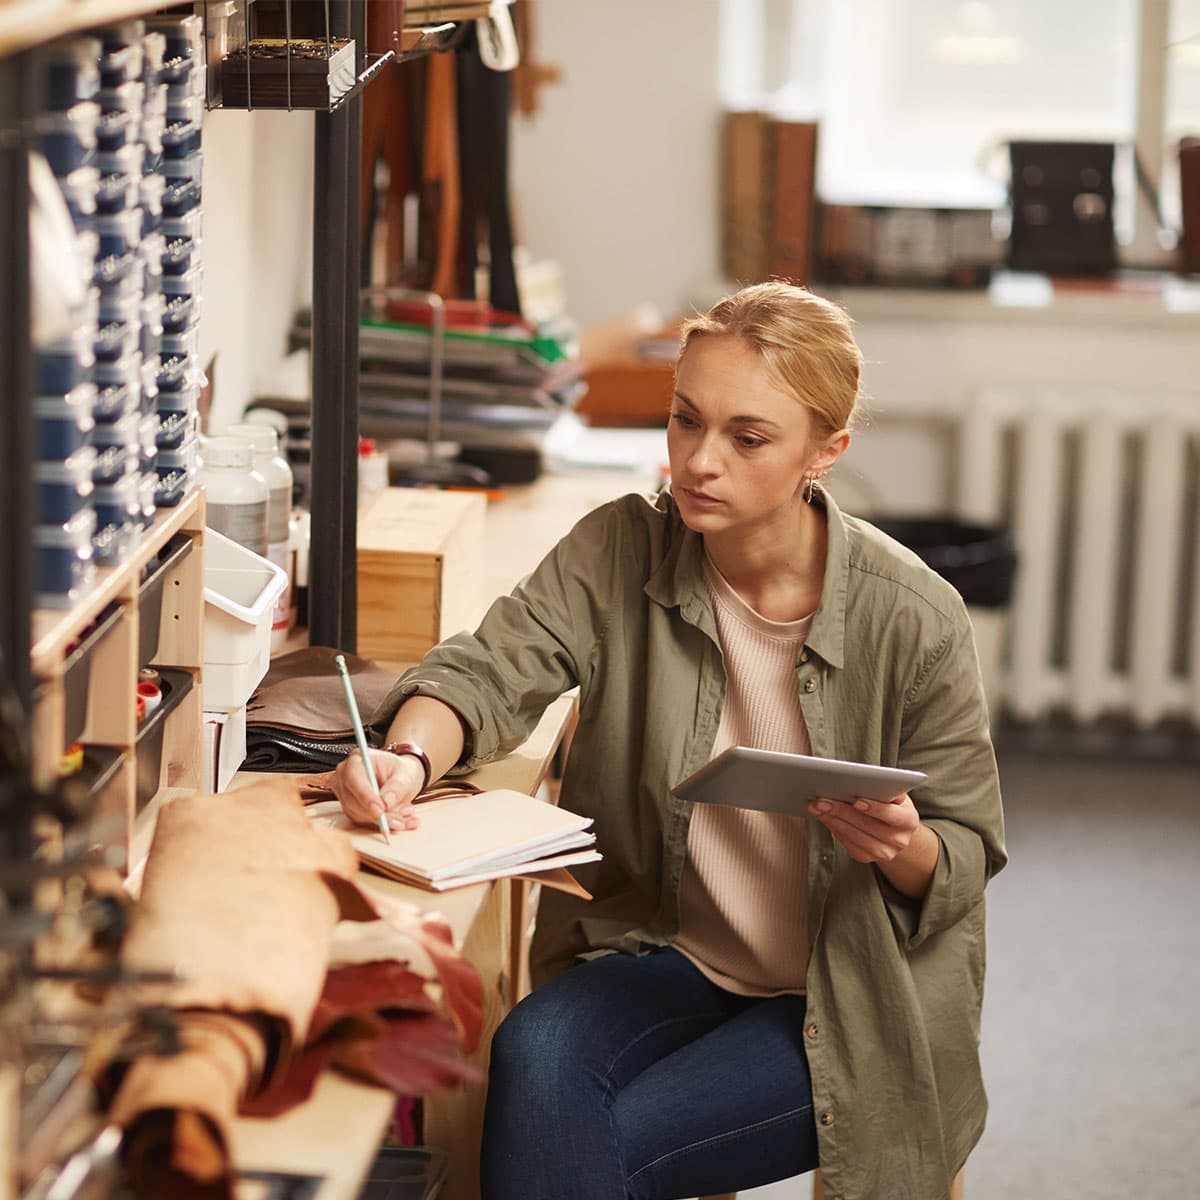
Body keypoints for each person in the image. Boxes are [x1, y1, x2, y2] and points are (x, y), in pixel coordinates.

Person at [333, 281, 1007, 1200]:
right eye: (685, 421)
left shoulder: (917, 618)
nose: (698, 460)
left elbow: (966, 854)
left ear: (827, 451)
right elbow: (485, 671)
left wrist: (905, 848)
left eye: (748, 437)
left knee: (592, 1144)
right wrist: (405, 758)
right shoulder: (620, 549)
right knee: (533, 1053)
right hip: (669, 951)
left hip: (844, 995)